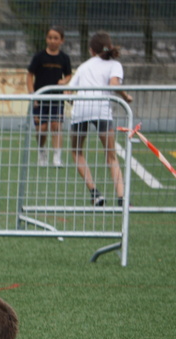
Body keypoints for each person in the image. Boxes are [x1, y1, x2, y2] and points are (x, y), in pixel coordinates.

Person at [66, 31, 132, 207]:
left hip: (81, 110)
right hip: (102, 110)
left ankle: (95, 193)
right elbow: (114, 84)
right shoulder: (115, 64)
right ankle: (122, 198)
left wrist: (73, 101)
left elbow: (68, 91)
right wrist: (125, 96)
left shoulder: (84, 66)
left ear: (91, 50)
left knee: (77, 152)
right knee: (111, 156)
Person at [26, 26, 72, 167]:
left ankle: (57, 157)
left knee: (56, 126)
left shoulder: (64, 58)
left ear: (61, 40)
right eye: (50, 37)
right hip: (40, 99)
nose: (52, 41)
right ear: (46, 39)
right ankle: (42, 152)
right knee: (41, 129)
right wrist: (33, 94)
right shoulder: (39, 57)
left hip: (57, 99)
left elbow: (68, 75)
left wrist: (64, 81)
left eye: (56, 38)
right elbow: (30, 75)